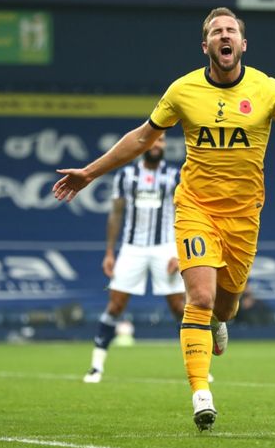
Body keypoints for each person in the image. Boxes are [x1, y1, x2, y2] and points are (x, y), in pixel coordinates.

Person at [52, 7, 275, 431]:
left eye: (231, 30)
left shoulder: (268, 90)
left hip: (244, 217)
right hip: (195, 207)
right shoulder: (183, 90)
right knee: (198, 297)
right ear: (206, 45)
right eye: (216, 31)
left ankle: (217, 321)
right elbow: (143, 137)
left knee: (226, 306)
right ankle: (201, 394)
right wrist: (89, 172)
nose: (224, 36)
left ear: (243, 44)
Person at [82, 135, 199, 383]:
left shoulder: (176, 175)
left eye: (162, 142)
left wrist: (180, 252)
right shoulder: (125, 176)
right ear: (144, 145)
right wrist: (110, 252)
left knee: (180, 308)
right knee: (115, 305)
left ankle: (198, 367)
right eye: (153, 141)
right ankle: (96, 367)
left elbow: (187, 214)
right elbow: (116, 213)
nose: (157, 145)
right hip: (132, 247)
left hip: (165, 247)